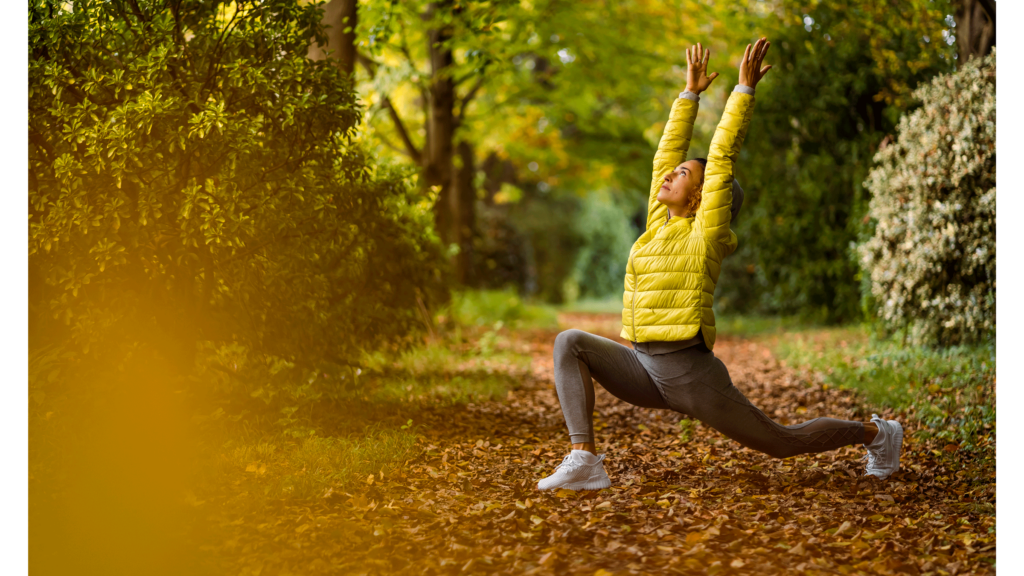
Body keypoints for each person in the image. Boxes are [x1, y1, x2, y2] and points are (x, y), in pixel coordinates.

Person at [537, 38, 903, 491]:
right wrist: (689, 95)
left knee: (779, 441)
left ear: (702, 197)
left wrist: (742, 92)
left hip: (688, 373)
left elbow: (723, 154)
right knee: (569, 341)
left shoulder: (705, 234)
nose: (671, 175)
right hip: (643, 365)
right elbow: (662, 158)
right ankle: (584, 458)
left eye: (685, 175)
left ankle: (877, 433)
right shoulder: (658, 225)